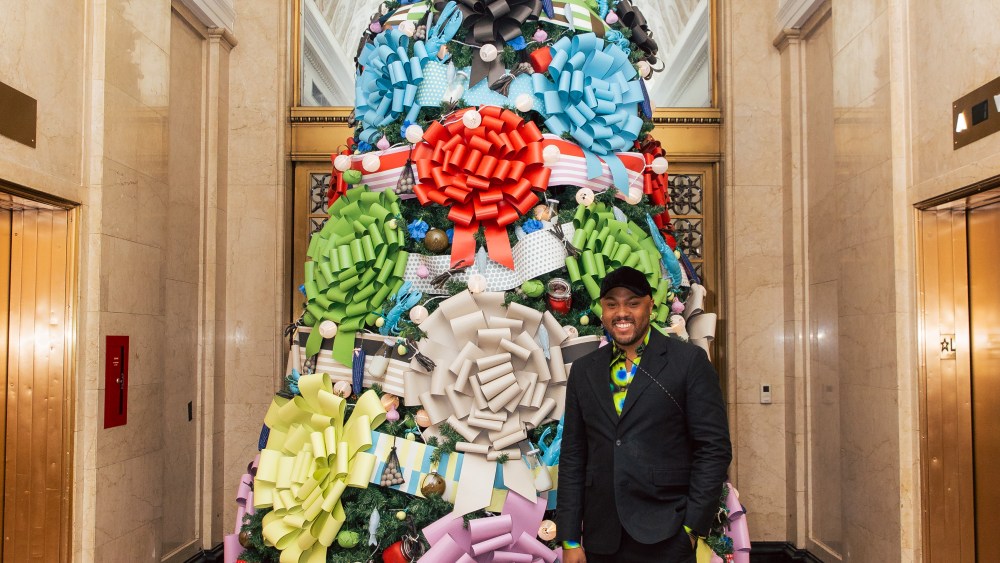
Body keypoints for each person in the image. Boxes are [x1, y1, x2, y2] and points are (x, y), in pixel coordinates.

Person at [556, 266, 732, 563]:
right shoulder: (584, 371)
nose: (621, 312)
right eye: (612, 304)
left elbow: (714, 448)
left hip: (667, 535)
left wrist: (691, 530)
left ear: (650, 306)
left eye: (633, 303)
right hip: (602, 539)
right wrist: (571, 539)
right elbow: (573, 455)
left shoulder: (688, 362)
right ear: (602, 310)